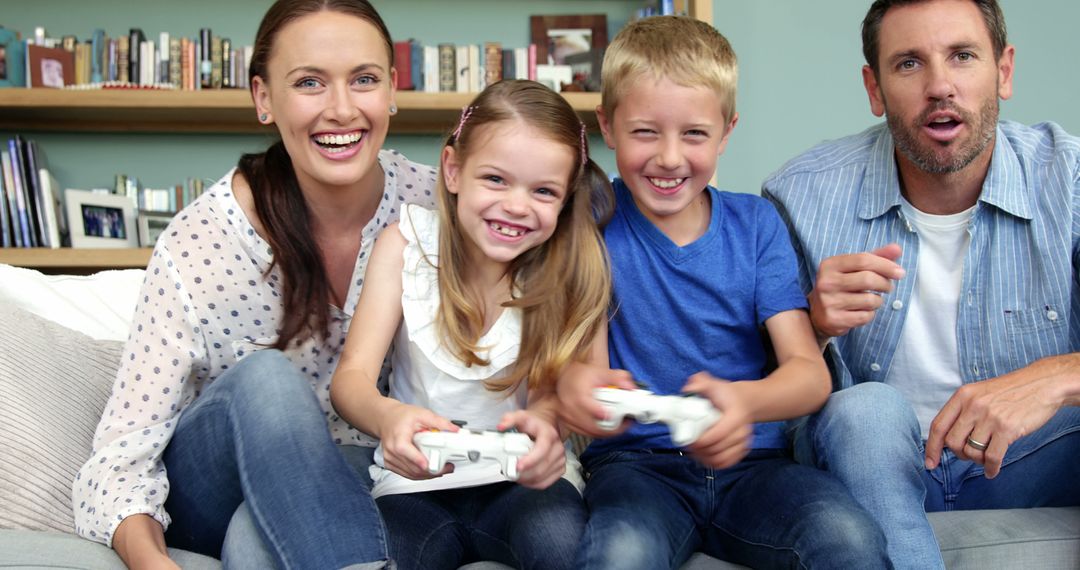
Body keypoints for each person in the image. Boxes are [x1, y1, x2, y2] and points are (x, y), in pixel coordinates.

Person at [71, 1, 438, 568]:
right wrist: (155, 564)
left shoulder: (438, 206)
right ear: (264, 99)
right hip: (217, 487)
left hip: (365, 480)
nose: (342, 109)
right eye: (309, 83)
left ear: (392, 88)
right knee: (267, 378)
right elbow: (120, 463)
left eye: (363, 80)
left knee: (254, 537)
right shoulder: (199, 243)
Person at [556, 15, 890, 570]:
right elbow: (585, 374)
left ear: (726, 132)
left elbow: (808, 375)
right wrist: (587, 394)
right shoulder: (591, 226)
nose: (669, 157)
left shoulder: (756, 225)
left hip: (757, 466)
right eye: (644, 132)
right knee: (621, 553)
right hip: (638, 467)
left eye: (694, 134)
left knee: (846, 536)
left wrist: (744, 401)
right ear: (607, 127)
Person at [762, 0, 1080, 568]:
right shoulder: (799, 195)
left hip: (1033, 461)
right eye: (909, 64)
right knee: (866, 410)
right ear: (875, 88)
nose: (940, 86)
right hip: (866, 467)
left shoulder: (1070, 180)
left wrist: (1052, 378)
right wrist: (807, 323)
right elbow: (750, 389)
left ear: (1003, 71)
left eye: (962, 56)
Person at [329, 79, 613, 570]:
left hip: (527, 483)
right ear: (453, 170)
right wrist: (387, 418)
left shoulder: (574, 268)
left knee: (562, 548)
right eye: (496, 180)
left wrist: (549, 424)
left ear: (567, 198)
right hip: (418, 483)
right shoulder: (405, 247)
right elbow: (352, 378)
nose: (517, 205)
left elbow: (578, 388)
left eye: (544, 191)